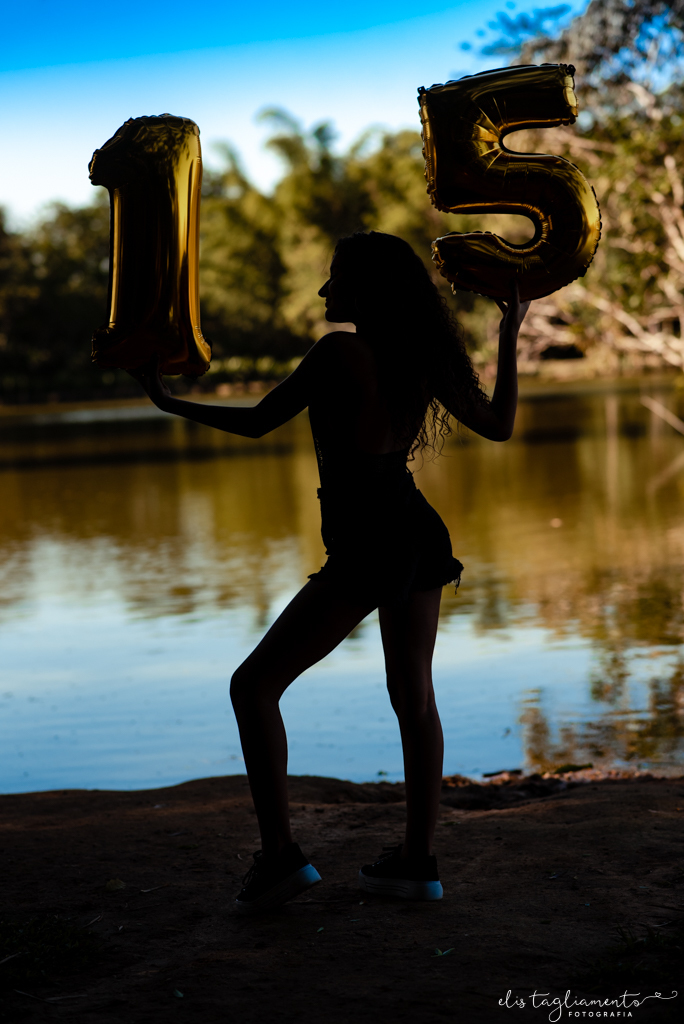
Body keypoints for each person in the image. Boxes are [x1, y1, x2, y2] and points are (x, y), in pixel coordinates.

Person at [132, 230, 530, 913]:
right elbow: (498, 423)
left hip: (371, 540)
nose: (324, 291)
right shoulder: (419, 358)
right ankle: (417, 861)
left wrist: (170, 403)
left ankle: (281, 858)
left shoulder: (339, 351)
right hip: (413, 529)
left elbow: (260, 423)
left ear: (367, 290)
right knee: (415, 700)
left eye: (336, 279)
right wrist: (509, 331)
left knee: (253, 686)